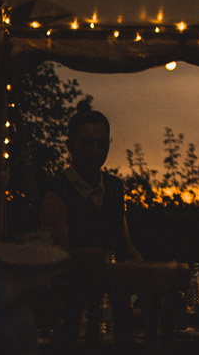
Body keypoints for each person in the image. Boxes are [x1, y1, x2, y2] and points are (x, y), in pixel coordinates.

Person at [38, 108, 137, 259]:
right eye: (87, 143)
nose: (96, 150)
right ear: (70, 146)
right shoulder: (56, 192)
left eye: (102, 143)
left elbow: (125, 244)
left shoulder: (114, 187)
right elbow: (59, 255)